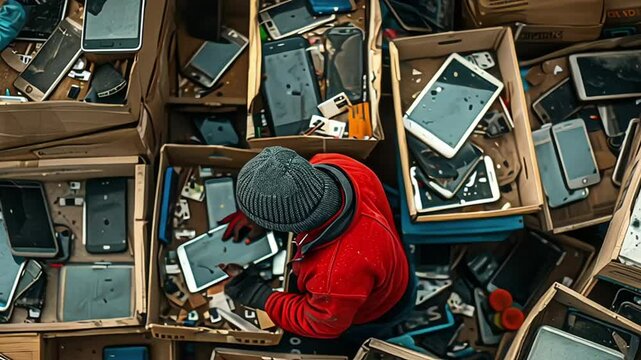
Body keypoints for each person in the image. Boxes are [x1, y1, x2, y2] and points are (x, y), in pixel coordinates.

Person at [221, 146, 412, 340]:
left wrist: (259, 296)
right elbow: (297, 198)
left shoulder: (336, 272)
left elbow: (321, 324)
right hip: (391, 259)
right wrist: (259, 215)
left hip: (380, 307)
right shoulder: (335, 163)